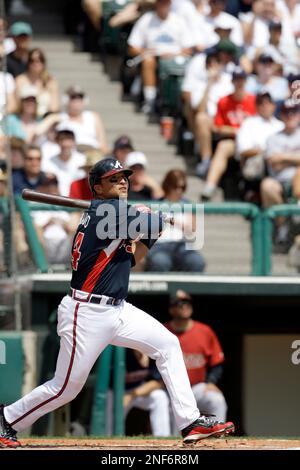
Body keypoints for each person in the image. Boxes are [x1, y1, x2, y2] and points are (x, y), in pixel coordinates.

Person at [0, 157, 234, 448]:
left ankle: (190, 422)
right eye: (113, 178)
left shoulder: (113, 214)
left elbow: (133, 260)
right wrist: (151, 217)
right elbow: (149, 221)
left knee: (168, 344)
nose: (122, 181)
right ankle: (7, 419)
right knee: (65, 388)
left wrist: (149, 233)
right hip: (86, 312)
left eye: (123, 176)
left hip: (117, 309)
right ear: (97, 188)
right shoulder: (107, 213)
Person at [164, 291, 228, 422]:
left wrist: (211, 382)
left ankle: (218, 437)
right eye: (179, 304)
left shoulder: (204, 331)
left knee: (216, 399)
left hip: (197, 387)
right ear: (171, 309)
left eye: (187, 303)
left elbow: (217, 362)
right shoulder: (163, 331)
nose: (185, 306)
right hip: (172, 388)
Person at [127, 0, 194, 114]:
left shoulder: (179, 20)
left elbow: (188, 49)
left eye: (166, 3)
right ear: (156, 4)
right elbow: (132, 47)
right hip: (153, 58)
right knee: (148, 61)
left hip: (175, 59)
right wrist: (145, 51)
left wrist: (172, 54)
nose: (163, 6)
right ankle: (150, 100)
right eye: (161, 3)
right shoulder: (146, 19)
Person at [200, 66, 256, 200]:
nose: (239, 83)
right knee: (223, 147)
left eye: (241, 79)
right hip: (233, 140)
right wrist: (238, 131)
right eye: (236, 80)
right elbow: (218, 128)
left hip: (251, 142)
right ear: (232, 81)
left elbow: (258, 126)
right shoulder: (224, 101)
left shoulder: (254, 101)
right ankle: (210, 185)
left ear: (246, 81)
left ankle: (249, 192)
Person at [145, 169, 206, 272]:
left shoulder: (188, 204)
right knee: (160, 262)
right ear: (168, 186)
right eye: (175, 187)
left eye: (182, 187)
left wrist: (170, 220)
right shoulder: (156, 204)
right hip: (159, 245)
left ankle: (187, 289)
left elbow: (192, 231)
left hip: (182, 245)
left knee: (196, 261)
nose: (179, 191)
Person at [123, 349, 171, 436]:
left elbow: (158, 382)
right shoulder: (122, 352)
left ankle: (162, 437)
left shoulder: (151, 352)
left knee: (160, 396)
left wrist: (132, 395)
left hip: (137, 392)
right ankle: (106, 436)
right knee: (111, 401)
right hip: (117, 393)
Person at [59, 85, 109, 153]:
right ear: (66, 100)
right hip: (71, 154)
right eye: (73, 98)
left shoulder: (93, 116)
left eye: (80, 98)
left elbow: (103, 144)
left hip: (93, 154)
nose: (77, 101)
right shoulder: (60, 118)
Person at [15, 48, 60, 118]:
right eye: (32, 61)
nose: (36, 64)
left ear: (43, 63)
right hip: (24, 120)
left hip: (46, 119)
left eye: (39, 60)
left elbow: (54, 108)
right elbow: (16, 106)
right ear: (28, 63)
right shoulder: (20, 80)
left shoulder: (51, 81)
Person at [41, 128, 86, 196]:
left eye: (68, 140)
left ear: (74, 142)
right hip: (56, 200)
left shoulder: (83, 160)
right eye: (62, 140)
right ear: (57, 142)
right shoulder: (48, 162)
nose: (65, 144)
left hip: (79, 199)